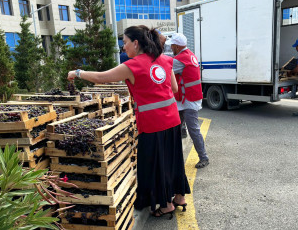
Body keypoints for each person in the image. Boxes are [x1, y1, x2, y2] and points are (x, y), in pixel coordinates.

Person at [67, 26, 190, 218]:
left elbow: (101, 78)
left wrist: (78, 73)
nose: (123, 47)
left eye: (124, 42)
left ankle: (166, 205)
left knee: (156, 165)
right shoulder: (166, 60)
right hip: (172, 119)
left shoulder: (132, 66)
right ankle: (179, 197)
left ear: (136, 43)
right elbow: (174, 88)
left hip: (152, 124)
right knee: (173, 160)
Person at [166, 33, 209, 168]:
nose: (171, 48)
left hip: (188, 100)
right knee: (177, 126)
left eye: (172, 45)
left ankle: (204, 158)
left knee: (194, 130)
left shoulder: (180, 60)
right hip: (187, 99)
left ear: (177, 46)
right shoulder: (189, 55)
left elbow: (167, 69)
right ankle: (175, 154)